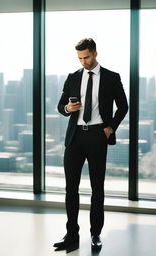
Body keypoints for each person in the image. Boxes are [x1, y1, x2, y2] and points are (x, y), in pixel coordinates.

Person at [53, 38, 128, 251]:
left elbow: (123, 106)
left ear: (95, 53)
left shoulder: (112, 78)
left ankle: (95, 234)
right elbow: (60, 106)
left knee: (97, 189)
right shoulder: (72, 77)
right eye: (79, 58)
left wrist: (110, 127)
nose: (83, 62)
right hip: (75, 137)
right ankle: (72, 235)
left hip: (97, 136)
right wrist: (68, 108)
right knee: (71, 189)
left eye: (86, 57)